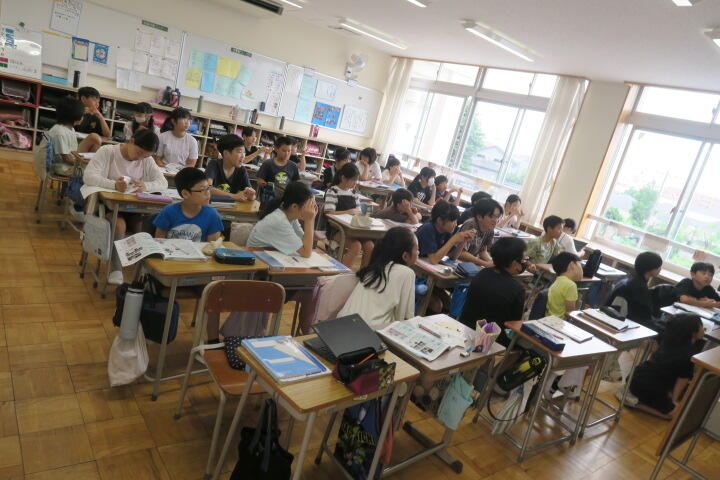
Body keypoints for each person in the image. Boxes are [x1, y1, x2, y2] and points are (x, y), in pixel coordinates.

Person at [84, 129, 167, 285]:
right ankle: (115, 269)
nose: (140, 158)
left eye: (145, 156)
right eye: (139, 153)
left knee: (144, 227)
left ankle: (142, 272)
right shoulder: (108, 152)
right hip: (108, 206)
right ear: (131, 141)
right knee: (119, 225)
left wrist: (146, 186)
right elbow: (88, 176)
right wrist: (114, 185)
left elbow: (163, 182)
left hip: (134, 208)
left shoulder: (146, 160)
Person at [247, 181, 318, 333]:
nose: (311, 209)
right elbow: (306, 251)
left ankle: (305, 332)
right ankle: (306, 333)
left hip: (271, 271)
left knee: (311, 288)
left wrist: (308, 221)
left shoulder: (289, 216)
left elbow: (305, 243)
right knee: (310, 290)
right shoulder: (278, 221)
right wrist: (310, 220)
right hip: (258, 277)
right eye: (309, 205)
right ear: (295, 206)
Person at [339, 227, 418, 329]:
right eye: (417, 249)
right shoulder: (407, 273)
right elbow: (404, 317)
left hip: (339, 326)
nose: (419, 253)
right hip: (367, 332)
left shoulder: (375, 266)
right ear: (405, 256)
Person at [629, 314, 704, 419]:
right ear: (693, 332)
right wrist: (674, 400)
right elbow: (682, 379)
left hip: (636, 376)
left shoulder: (669, 341)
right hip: (648, 386)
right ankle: (634, 403)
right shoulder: (689, 353)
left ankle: (632, 396)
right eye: (701, 326)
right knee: (675, 416)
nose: (703, 329)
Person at [459, 237, 529, 346]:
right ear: (514, 263)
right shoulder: (517, 289)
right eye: (524, 260)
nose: (525, 262)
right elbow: (513, 324)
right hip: (492, 341)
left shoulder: (482, 273)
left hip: (464, 329)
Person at [324, 163, 374, 268]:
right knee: (356, 246)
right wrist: (349, 211)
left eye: (356, 180)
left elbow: (358, 212)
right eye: (353, 180)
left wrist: (362, 216)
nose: (355, 183)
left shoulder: (354, 193)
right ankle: (341, 273)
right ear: (343, 178)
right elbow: (329, 213)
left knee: (370, 246)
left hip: (353, 228)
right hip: (337, 229)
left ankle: (363, 274)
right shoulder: (333, 191)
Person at [153, 167, 223, 242]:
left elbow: (212, 247)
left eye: (208, 188)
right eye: (202, 190)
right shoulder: (168, 211)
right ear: (185, 194)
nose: (208, 193)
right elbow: (159, 242)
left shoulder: (212, 215)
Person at [606, 251, 663, 329]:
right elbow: (645, 317)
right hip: (624, 324)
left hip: (610, 318)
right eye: (659, 267)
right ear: (651, 269)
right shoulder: (640, 289)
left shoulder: (625, 281)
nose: (660, 269)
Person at [37, 96, 84, 176]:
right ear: (75, 117)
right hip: (61, 167)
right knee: (89, 172)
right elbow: (66, 159)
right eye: (82, 115)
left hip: (66, 163)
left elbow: (71, 152)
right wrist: (81, 163)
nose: (83, 117)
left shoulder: (70, 129)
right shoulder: (60, 132)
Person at [449, 198, 503, 267]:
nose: (496, 221)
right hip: (456, 262)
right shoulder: (470, 225)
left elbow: (482, 251)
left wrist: (492, 262)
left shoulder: (490, 229)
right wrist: (484, 263)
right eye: (492, 216)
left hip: (469, 263)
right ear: (479, 217)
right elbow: (461, 254)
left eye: (498, 217)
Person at [205, 134, 255, 202]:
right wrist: (234, 196)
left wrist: (251, 195)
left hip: (231, 207)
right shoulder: (214, 164)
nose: (243, 156)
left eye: (244, 152)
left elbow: (250, 193)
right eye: (240, 152)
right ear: (226, 153)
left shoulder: (241, 170)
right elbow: (207, 188)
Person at [546, 252, 583, 318]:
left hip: (549, 318)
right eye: (580, 264)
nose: (582, 269)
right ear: (572, 265)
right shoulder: (570, 285)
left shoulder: (558, 280)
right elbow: (570, 313)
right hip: (560, 322)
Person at [75, 86, 109, 153]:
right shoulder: (73, 110)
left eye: (98, 102)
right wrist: (82, 113)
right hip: (74, 143)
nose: (97, 104)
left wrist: (101, 117)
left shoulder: (95, 115)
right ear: (83, 99)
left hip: (88, 145)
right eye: (94, 100)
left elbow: (107, 135)